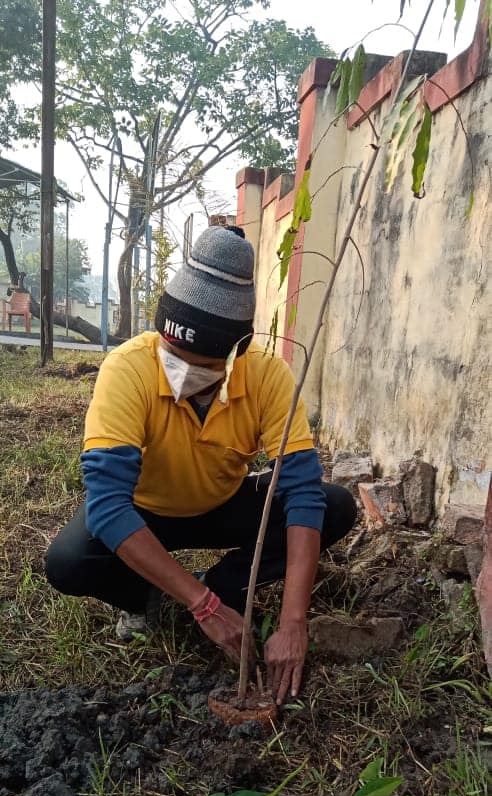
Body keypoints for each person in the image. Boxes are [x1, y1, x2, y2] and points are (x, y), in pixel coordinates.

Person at [45, 226, 356, 705]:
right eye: (173, 355)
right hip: (143, 513)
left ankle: (226, 583)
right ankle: (141, 598)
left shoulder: (267, 376)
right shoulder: (127, 369)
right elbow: (108, 506)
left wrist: (294, 621)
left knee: (334, 506)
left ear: (235, 353)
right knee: (68, 561)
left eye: (201, 364)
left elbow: (302, 491)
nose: (181, 371)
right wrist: (202, 606)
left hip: (221, 503)